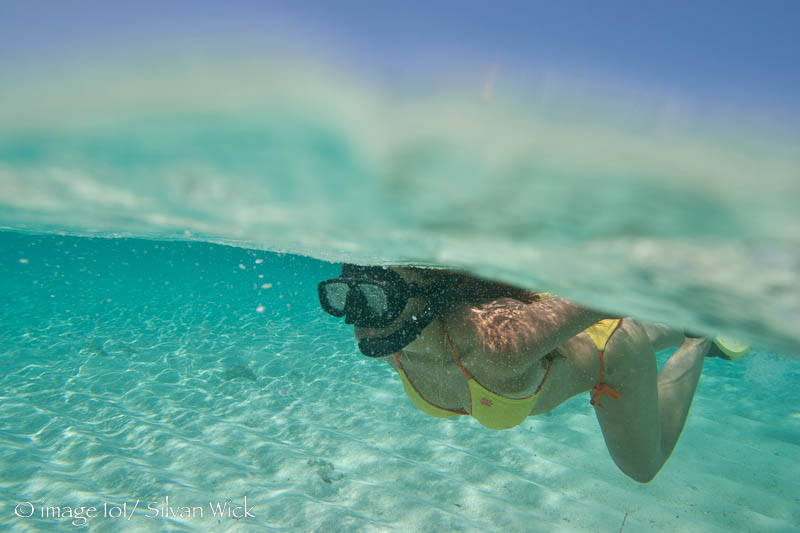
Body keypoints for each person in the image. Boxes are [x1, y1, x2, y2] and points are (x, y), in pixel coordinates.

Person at [318, 264, 721, 483]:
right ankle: (682, 325)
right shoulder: (395, 344)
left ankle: (699, 340)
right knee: (611, 332)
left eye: (373, 298)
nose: (357, 322)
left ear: (428, 296)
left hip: (614, 360)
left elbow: (617, 291)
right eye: (342, 296)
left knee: (643, 469)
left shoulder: (498, 344)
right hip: (570, 341)